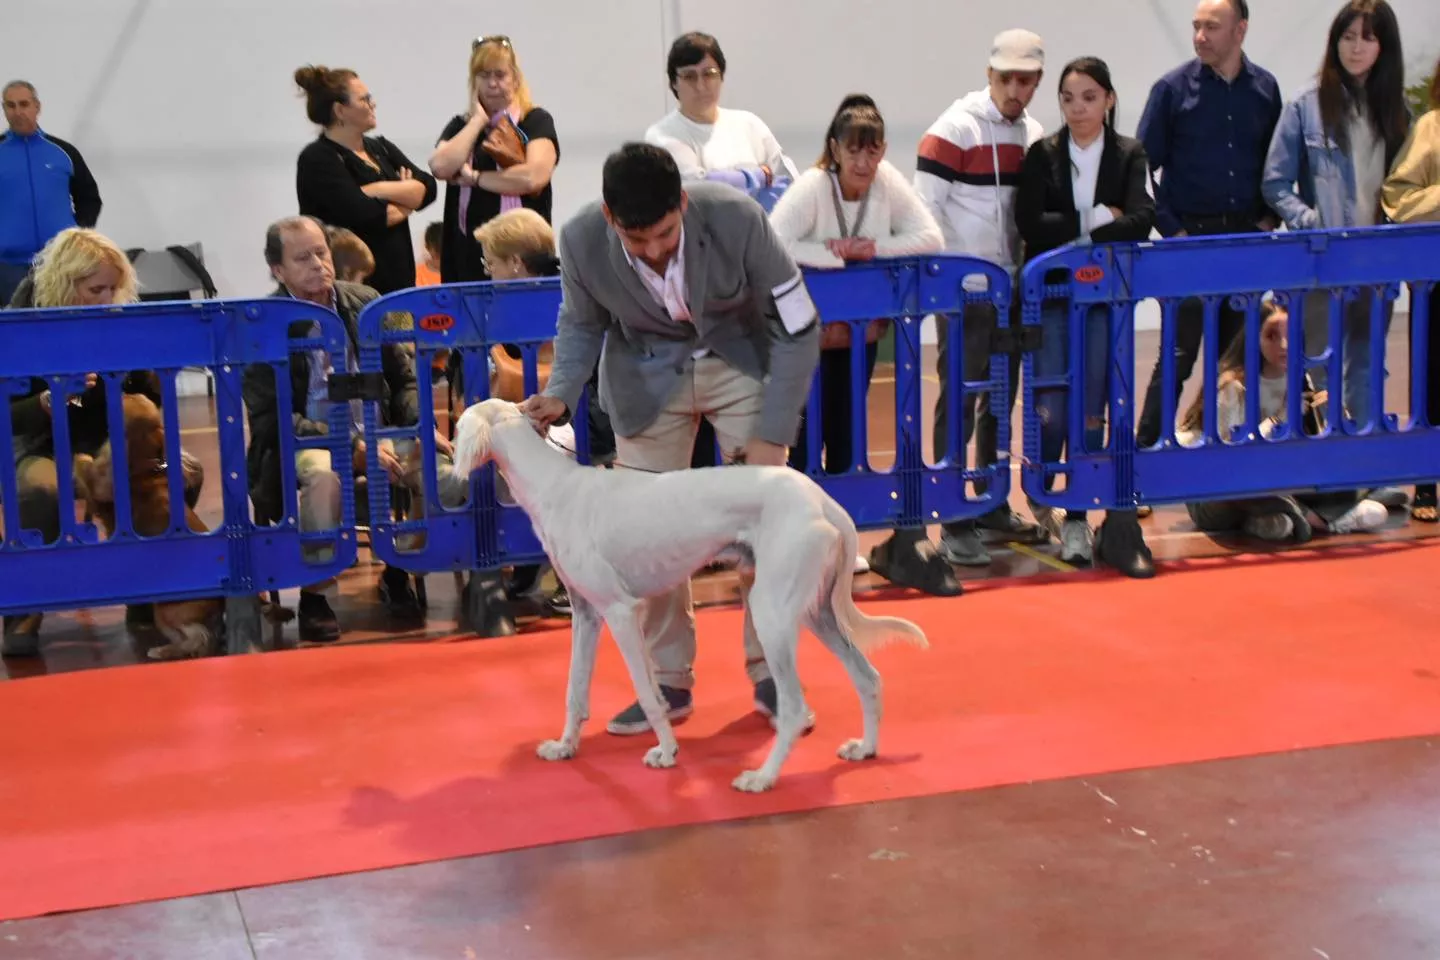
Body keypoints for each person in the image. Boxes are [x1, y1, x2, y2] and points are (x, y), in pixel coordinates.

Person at [518, 143, 819, 735]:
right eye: (637, 241)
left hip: (740, 363)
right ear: (610, 219)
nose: (653, 251)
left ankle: (772, 675)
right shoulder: (580, 240)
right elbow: (581, 323)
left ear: (682, 201)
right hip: (644, 381)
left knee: (765, 537)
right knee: (643, 543)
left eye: (663, 233)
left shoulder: (738, 217)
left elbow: (798, 325)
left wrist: (772, 435)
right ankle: (668, 683)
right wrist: (560, 391)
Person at [867, 28, 1050, 592]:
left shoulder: (1036, 135)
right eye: (1006, 78)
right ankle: (955, 514)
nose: (1015, 89)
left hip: (1016, 289)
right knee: (962, 396)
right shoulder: (952, 130)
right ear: (989, 74)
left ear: (1037, 81)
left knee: (1002, 397)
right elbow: (927, 215)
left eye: (1026, 80)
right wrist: (967, 278)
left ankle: (991, 502)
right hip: (967, 292)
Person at [243, 216, 465, 642]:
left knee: (449, 475)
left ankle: (405, 567)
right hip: (311, 441)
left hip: (382, 432)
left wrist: (420, 425)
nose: (317, 265)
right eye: (302, 258)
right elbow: (274, 421)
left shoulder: (368, 302)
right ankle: (315, 596)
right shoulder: (263, 324)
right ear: (278, 270)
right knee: (325, 480)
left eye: (321, 253)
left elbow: (405, 381)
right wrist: (352, 444)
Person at [3, 228, 201, 656]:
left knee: (186, 472)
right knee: (42, 490)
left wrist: (153, 381)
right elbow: (9, 414)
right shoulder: (17, 326)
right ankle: (25, 608)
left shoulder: (123, 323)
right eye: (97, 289)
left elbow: (151, 400)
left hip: (116, 448)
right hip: (43, 446)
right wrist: (45, 402)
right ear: (64, 284)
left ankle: (148, 590)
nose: (108, 297)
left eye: (115, 288)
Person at [1015, 57, 1156, 574]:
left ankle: (1078, 512)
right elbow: (1033, 222)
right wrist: (1097, 218)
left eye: (1090, 97)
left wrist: (1080, 234)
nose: (1078, 108)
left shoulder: (1129, 153)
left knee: (1094, 402)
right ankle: (1044, 486)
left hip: (1102, 301)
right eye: (1069, 98)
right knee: (1052, 400)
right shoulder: (1042, 154)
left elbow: (1142, 219)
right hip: (1052, 296)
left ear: (1110, 100)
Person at [1134, 0, 1283, 452]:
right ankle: (1145, 461)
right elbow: (1139, 171)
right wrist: (1172, 230)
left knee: (1237, 360)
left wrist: (1267, 219)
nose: (1199, 36)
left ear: (1240, 31)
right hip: (1189, 244)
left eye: (1211, 27)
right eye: (1196, 26)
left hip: (1245, 242)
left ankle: (1228, 461)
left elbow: (1277, 163)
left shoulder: (1265, 90)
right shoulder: (1171, 90)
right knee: (1176, 359)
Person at [645, 31, 798, 471]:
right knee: (695, 425)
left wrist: (737, 178)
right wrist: (759, 177)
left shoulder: (749, 124)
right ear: (674, 83)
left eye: (709, 73)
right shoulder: (662, 135)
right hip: (697, 292)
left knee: (756, 414)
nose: (701, 84)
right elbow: (697, 191)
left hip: (756, 281)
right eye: (689, 76)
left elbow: (791, 179)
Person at [768, 95, 941, 478]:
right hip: (807, 337)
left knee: (847, 436)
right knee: (803, 439)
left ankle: (842, 524)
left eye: (873, 151)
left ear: (883, 151)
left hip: (860, 337)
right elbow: (775, 240)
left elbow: (931, 238)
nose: (863, 163)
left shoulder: (886, 181)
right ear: (835, 148)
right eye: (853, 151)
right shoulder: (814, 185)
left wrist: (873, 248)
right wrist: (834, 255)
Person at [1262, 0, 1409, 433]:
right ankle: (1328, 477)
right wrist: (1310, 221)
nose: (1356, 47)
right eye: (1347, 37)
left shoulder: (1397, 112)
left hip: (1374, 263)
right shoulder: (1305, 107)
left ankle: (1362, 472)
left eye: (1367, 37)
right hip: (1320, 261)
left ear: (1384, 46)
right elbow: (1275, 183)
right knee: (1319, 369)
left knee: (1366, 366)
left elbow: (1406, 192)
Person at [1176, 301, 1388, 540]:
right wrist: (1280, 418)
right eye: (1272, 336)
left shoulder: (1299, 378)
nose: (1284, 346)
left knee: (1290, 512)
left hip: (1271, 481)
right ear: (1255, 338)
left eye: (1290, 335)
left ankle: (1270, 519)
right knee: (1245, 483)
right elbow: (1230, 463)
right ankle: (1320, 518)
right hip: (1216, 493)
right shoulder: (1232, 385)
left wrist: (1334, 419)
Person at [293, 65, 437, 295]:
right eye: (364, 99)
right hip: (351, 290)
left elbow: (428, 189)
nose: (373, 104)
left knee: (403, 330)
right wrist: (405, 198)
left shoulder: (380, 147)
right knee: (359, 332)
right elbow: (364, 214)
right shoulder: (318, 159)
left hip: (399, 286)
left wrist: (378, 188)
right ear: (340, 111)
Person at [428, 35, 560, 284]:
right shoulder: (461, 125)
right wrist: (477, 121)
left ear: (516, 79)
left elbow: (533, 177)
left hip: (524, 257)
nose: (492, 84)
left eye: (500, 75)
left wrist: (476, 179)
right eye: (484, 76)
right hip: (469, 254)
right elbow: (440, 166)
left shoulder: (534, 121)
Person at [1381, 56, 1440, 524]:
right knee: (1434, 379)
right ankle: (1426, 482)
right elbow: (1397, 200)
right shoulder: (1431, 127)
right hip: (1437, 278)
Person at [0, 81, 102, 306]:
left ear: (37, 107)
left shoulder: (63, 152)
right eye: (10, 105)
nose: (18, 112)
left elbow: (89, 198)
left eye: (24, 104)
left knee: (63, 330)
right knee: (13, 336)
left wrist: (76, 235)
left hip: (60, 265)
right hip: (6, 268)